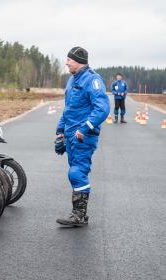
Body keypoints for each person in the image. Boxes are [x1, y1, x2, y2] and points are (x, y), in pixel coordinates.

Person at [55, 46, 110, 227]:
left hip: (82, 135)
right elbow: (68, 109)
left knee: (77, 171)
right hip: (71, 134)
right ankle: (80, 215)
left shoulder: (92, 79)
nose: (66, 62)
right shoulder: (72, 80)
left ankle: (79, 215)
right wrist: (60, 131)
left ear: (78, 61)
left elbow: (102, 108)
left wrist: (86, 128)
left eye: (69, 60)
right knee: (75, 171)